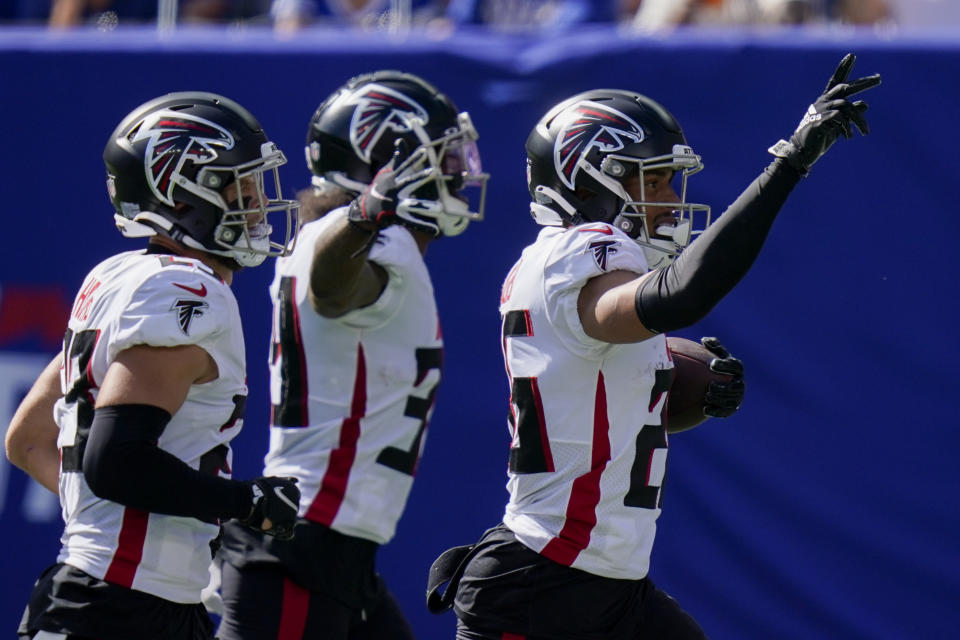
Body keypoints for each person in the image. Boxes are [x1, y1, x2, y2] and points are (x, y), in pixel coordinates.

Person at [427, 53, 881, 639]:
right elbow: (677, 297)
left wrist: (677, 386)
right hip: (543, 584)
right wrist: (788, 165)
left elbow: (606, 403)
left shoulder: (575, 271)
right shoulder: (576, 251)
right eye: (654, 179)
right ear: (589, 180)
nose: (669, 198)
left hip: (608, 586)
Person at [7, 91, 303, 640]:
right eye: (239, 188)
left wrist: (151, 534)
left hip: (112, 596)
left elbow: (26, 441)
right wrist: (246, 503)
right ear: (181, 195)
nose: (259, 206)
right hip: (117, 610)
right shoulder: (185, 288)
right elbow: (117, 460)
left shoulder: (115, 276)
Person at [215, 70, 488, 640]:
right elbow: (332, 289)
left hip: (330, 548)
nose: (460, 170)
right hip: (304, 547)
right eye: (441, 155)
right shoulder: (367, 237)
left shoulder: (350, 235)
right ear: (383, 159)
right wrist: (369, 213)